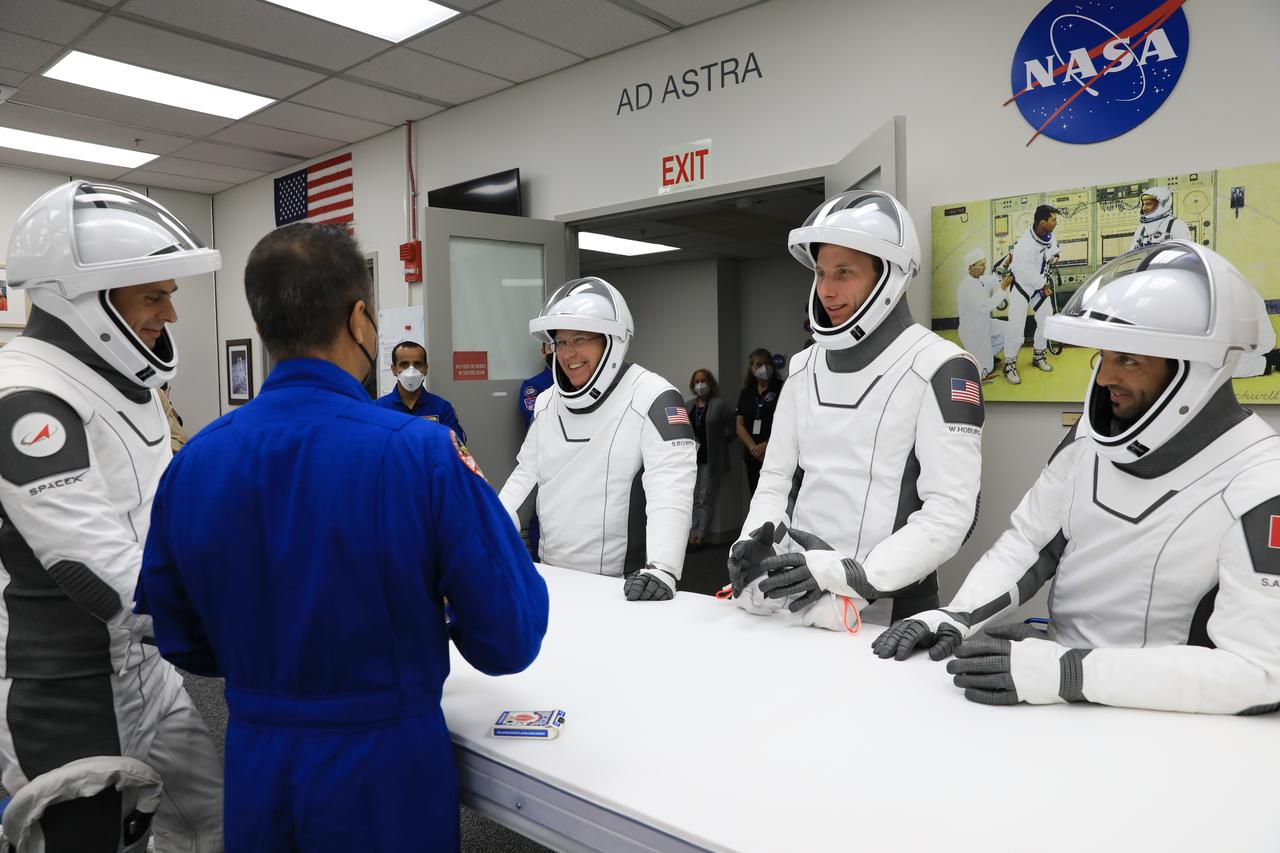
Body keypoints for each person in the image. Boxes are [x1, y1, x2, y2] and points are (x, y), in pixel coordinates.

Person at [136, 222, 548, 851]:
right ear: (360, 320)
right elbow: (510, 638)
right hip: (386, 772)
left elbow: (180, 637)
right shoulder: (424, 455)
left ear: (265, 325)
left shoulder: (193, 463)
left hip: (256, 765)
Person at [873, 241, 1280, 716]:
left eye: (1129, 359)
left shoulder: (1261, 480)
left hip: (1166, 720)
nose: (1104, 377)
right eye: (1104, 355)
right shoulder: (1091, 434)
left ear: (1198, 369)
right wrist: (957, 615)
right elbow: (1030, 542)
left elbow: (1260, 672)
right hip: (1056, 690)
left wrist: (1070, 671)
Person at [0, 181, 224, 850]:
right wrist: (243, 629)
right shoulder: (25, 393)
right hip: (64, 690)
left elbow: (157, 520)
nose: (169, 314)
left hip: (147, 668)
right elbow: (91, 565)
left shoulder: (128, 386)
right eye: (153, 297)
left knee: (213, 824)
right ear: (84, 298)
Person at [729, 190, 985, 632]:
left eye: (844, 273)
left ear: (889, 275)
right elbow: (776, 480)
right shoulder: (803, 366)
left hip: (889, 610)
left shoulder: (941, 366)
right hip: (796, 593)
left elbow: (951, 513)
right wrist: (754, 543)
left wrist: (859, 576)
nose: (826, 290)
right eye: (820, 273)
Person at [498, 277, 697, 601]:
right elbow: (525, 478)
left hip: (623, 588)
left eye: (580, 339)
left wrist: (663, 568)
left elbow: (671, 489)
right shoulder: (547, 402)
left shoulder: (653, 396)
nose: (567, 353)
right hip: (552, 578)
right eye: (560, 342)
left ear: (612, 342)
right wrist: (484, 531)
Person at [1000, 204, 1059, 384]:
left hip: (1036, 284)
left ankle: (1038, 355)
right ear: (1042, 222)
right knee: (1017, 326)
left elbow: (1053, 247)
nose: (1056, 223)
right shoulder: (1025, 245)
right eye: (1053, 220)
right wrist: (1043, 286)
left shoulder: (1047, 235)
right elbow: (1025, 273)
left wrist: (1056, 255)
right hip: (1021, 285)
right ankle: (1009, 363)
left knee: (1046, 317)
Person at [374, 340, 466, 442]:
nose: (411, 371)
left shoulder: (442, 408)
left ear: (426, 369)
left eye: (417, 364)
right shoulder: (378, 408)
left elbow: (456, 446)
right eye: (404, 364)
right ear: (394, 369)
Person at [686, 368, 733, 551]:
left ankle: (700, 536)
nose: (700, 385)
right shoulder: (688, 405)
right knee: (693, 498)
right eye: (697, 381)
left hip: (710, 459)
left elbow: (733, 428)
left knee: (705, 498)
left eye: (703, 380)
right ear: (693, 385)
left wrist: (721, 444)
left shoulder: (719, 404)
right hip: (692, 459)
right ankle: (691, 535)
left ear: (710, 383)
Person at [516, 342, 555, 558]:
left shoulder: (583, 384)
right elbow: (534, 423)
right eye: (551, 346)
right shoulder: (534, 386)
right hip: (546, 460)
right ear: (543, 351)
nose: (555, 351)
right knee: (544, 512)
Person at [955, 247, 1011, 380]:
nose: (985, 267)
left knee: (1011, 330)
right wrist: (1003, 289)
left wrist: (1005, 265)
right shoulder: (966, 287)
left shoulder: (979, 279)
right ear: (971, 267)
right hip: (973, 332)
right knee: (985, 370)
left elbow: (994, 279)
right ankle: (978, 357)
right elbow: (985, 307)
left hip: (985, 324)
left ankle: (986, 354)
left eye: (984, 264)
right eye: (981, 265)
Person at [735, 348, 783, 495]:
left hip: (775, 453)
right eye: (759, 364)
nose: (764, 367)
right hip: (752, 455)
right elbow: (739, 426)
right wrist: (754, 449)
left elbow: (787, 424)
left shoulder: (782, 388)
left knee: (775, 495)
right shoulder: (746, 392)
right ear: (752, 368)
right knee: (756, 495)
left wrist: (767, 446)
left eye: (767, 363)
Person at [1129, 185, 1191, 250]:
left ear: (1163, 204)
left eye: (1148, 204)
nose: (1144, 208)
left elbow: (1186, 252)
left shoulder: (1177, 225)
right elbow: (1131, 253)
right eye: (1143, 204)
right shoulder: (1141, 229)